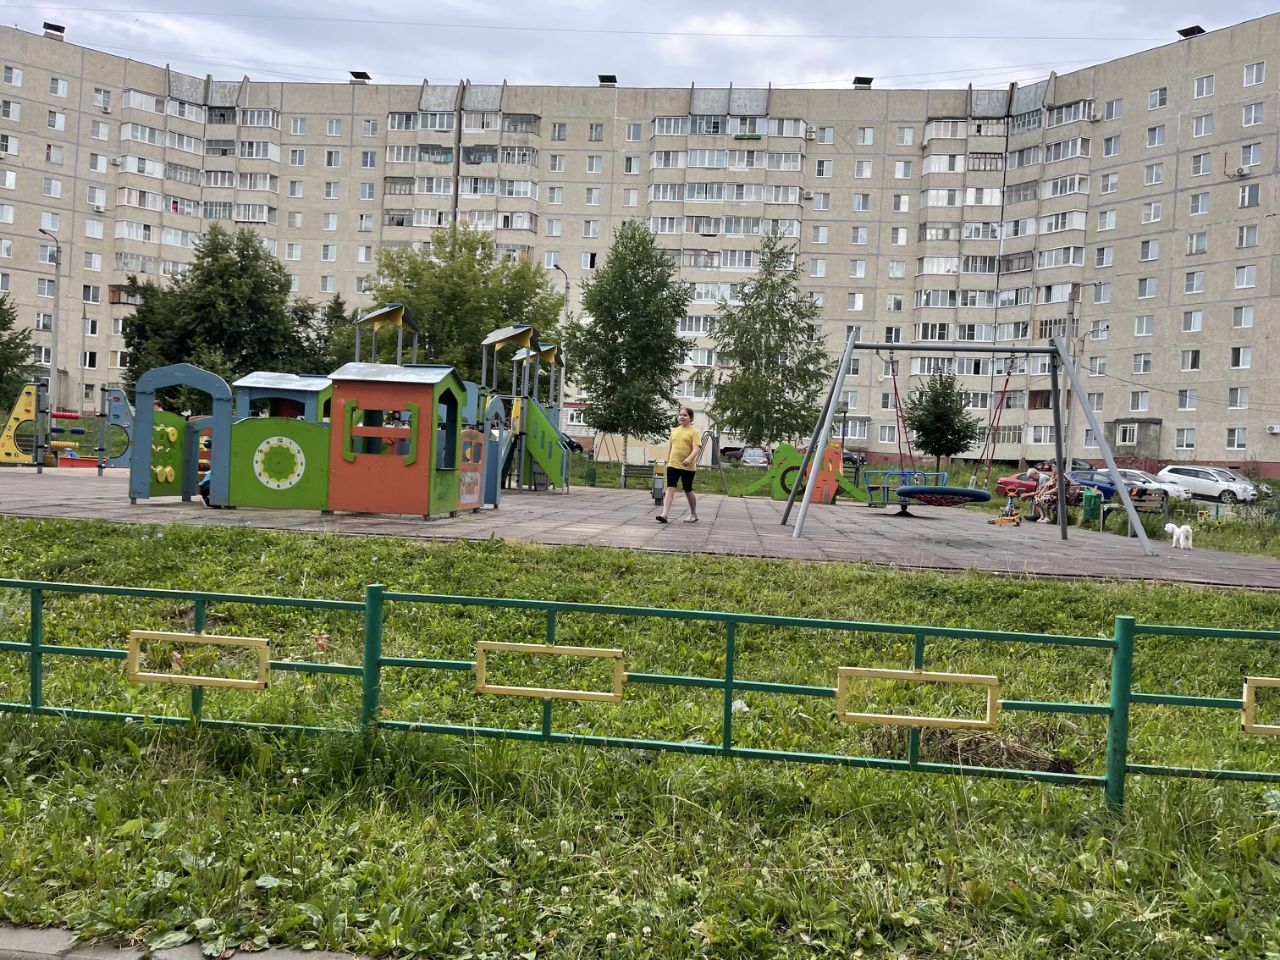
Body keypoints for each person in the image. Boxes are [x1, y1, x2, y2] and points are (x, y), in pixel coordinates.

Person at [656, 407, 702, 524]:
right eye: (680, 415)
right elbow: (671, 448)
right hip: (673, 464)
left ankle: (693, 514)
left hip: (688, 466)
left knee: (688, 489)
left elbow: (697, 448)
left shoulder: (694, 432)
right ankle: (664, 514)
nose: (682, 417)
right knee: (670, 488)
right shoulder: (674, 431)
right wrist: (668, 461)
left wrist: (689, 459)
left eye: (685, 415)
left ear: (690, 418)